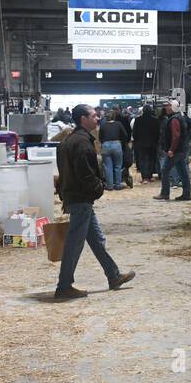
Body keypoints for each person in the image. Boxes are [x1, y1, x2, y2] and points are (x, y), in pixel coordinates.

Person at [55, 104, 135, 300]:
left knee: (97, 240)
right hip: (81, 198)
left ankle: (113, 276)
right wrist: (99, 188)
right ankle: (64, 286)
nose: (97, 119)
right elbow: (86, 175)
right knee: (75, 243)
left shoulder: (69, 140)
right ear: (83, 119)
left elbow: (63, 171)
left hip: (76, 196)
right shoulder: (82, 143)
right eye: (93, 116)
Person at [157, 100, 191, 201]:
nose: (166, 108)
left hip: (176, 151)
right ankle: (186, 194)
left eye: (168, 106)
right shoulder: (180, 117)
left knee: (164, 170)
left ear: (173, 107)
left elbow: (176, 136)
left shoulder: (174, 120)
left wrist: (171, 149)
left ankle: (165, 193)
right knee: (183, 172)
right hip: (182, 149)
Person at [98, 109, 128, 190]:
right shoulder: (118, 124)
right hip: (117, 144)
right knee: (118, 166)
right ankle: (118, 184)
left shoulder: (103, 125)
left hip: (105, 145)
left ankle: (109, 186)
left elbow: (100, 137)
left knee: (108, 167)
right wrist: (121, 142)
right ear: (114, 117)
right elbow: (125, 135)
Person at [132, 104, 161, 184]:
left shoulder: (137, 120)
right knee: (151, 159)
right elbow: (158, 132)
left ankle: (144, 177)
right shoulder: (155, 120)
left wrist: (136, 140)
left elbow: (135, 132)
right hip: (152, 143)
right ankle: (150, 176)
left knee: (142, 160)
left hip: (141, 143)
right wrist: (156, 140)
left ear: (143, 111)